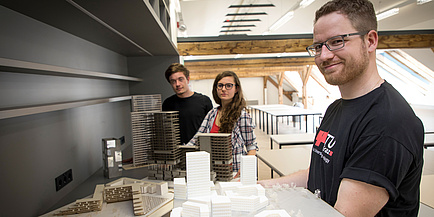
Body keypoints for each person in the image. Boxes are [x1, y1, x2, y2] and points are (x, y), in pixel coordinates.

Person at [258, 0, 424, 216]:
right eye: (318, 46)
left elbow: (345, 214)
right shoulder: (336, 108)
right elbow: (319, 174)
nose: (324, 56)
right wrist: (259, 188)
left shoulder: (387, 122)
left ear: (370, 41)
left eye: (337, 41)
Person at [187, 71, 258, 177]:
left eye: (229, 86)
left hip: (234, 172)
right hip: (212, 171)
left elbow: (251, 147)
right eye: (220, 85)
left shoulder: (242, 115)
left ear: (236, 89)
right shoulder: (212, 114)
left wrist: (245, 168)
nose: (223, 89)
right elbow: (196, 139)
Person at [163, 63, 213, 145]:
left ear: (188, 79)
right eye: (173, 81)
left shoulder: (204, 101)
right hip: (176, 152)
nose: (177, 84)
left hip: (200, 149)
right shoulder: (167, 104)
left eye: (180, 79)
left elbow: (210, 129)